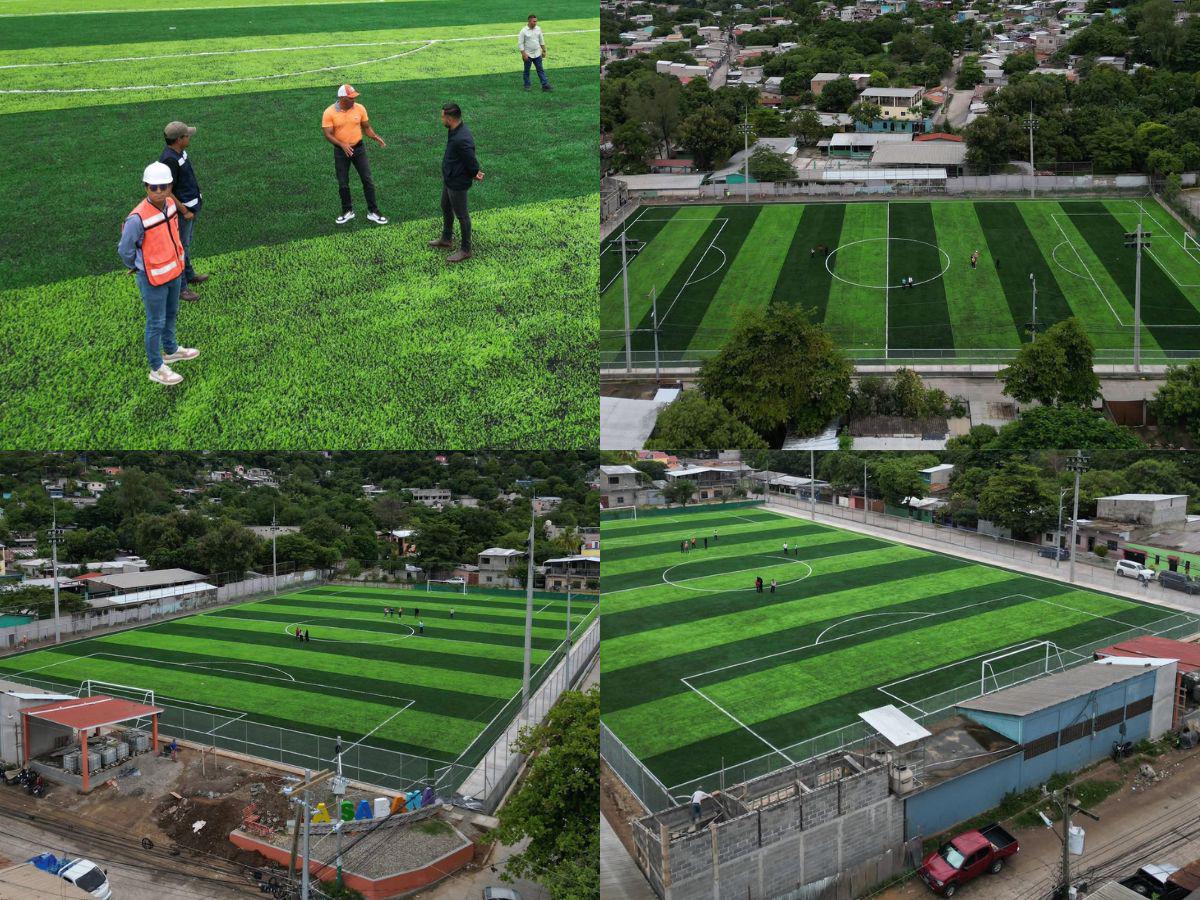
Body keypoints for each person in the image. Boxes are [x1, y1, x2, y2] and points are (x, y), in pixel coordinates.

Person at [118, 161, 200, 386]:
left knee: (172, 313)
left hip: (174, 272)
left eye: (163, 186)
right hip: (152, 278)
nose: (158, 191)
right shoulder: (136, 218)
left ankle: (171, 350)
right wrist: (136, 266)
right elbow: (125, 249)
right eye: (153, 187)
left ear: (169, 186)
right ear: (145, 187)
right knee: (155, 322)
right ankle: (156, 367)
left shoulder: (171, 205)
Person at [321, 84, 388, 226]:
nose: (353, 100)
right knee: (343, 182)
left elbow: (366, 127)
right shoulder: (329, 112)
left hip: (358, 149)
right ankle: (347, 211)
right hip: (341, 151)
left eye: (354, 97)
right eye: (350, 98)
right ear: (341, 98)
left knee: (367, 179)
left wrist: (375, 137)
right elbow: (328, 134)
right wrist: (342, 144)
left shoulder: (360, 108)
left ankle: (373, 211)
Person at [428, 103, 484, 263]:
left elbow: (471, 160)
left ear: (450, 118)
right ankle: (446, 239)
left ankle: (466, 249)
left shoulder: (462, 138)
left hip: (457, 182)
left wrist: (475, 173)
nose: (441, 119)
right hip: (450, 178)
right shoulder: (454, 130)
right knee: (445, 206)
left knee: (462, 215)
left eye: (442, 117)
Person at [159, 121, 208, 302]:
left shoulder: (178, 153)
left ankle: (188, 275)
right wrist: (184, 210)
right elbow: (167, 191)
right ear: (179, 140)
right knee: (179, 248)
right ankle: (181, 288)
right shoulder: (169, 160)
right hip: (184, 211)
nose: (189, 137)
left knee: (185, 245)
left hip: (191, 207)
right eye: (187, 135)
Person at [518, 14, 552, 92]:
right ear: (529, 21)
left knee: (540, 70)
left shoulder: (538, 29)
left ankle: (545, 85)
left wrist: (544, 51)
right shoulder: (523, 31)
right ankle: (527, 85)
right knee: (527, 71)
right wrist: (524, 54)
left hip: (537, 54)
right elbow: (520, 43)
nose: (535, 23)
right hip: (528, 55)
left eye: (536, 21)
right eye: (534, 21)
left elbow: (541, 40)